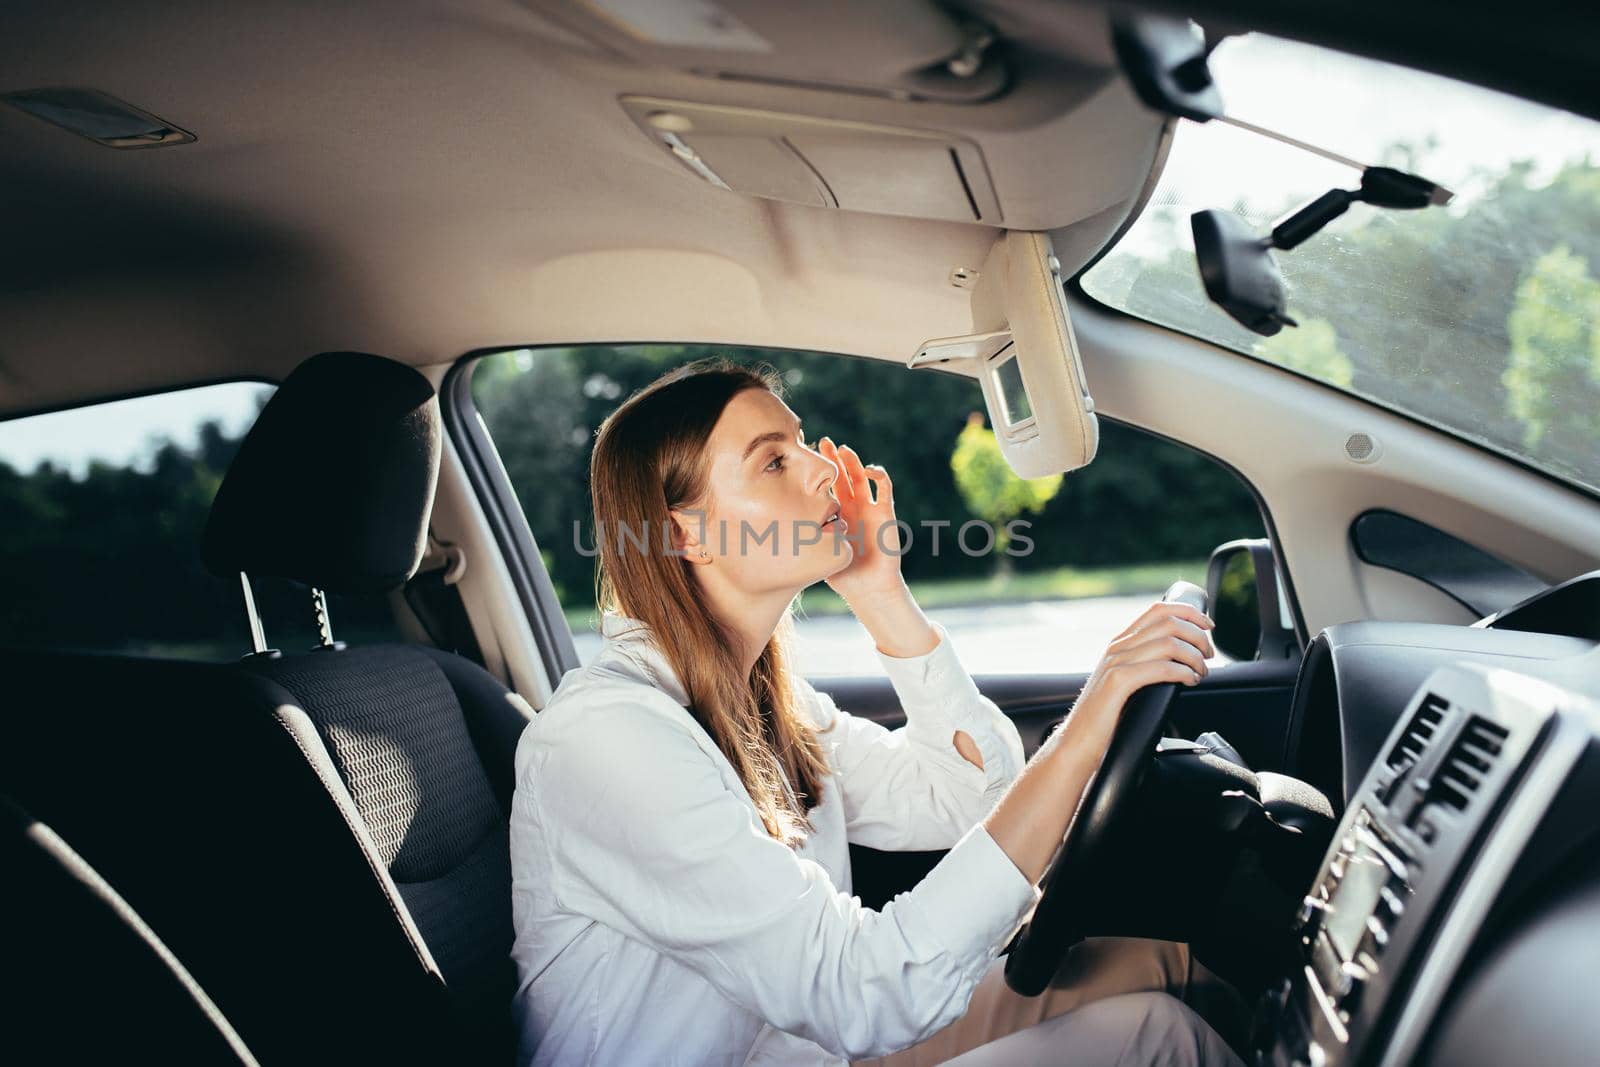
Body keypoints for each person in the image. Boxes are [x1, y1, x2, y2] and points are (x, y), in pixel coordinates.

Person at [509, 358, 1243, 1066]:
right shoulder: (610, 739)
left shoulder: (771, 705)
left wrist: (878, 592)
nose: (824, 468)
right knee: (1160, 1035)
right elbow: (862, 988)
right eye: (774, 461)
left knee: (1164, 966)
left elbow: (969, 797)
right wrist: (1091, 722)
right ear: (683, 534)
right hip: (829, 1031)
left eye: (801, 442)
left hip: (808, 1050)